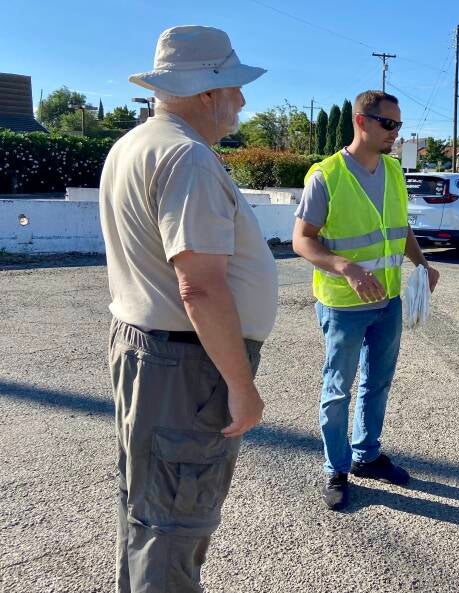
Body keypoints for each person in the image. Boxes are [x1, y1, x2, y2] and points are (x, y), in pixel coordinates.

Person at [99, 25, 277, 592]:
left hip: (149, 351)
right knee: (175, 524)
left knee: (149, 514)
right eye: (234, 87)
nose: (241, 100)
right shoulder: (187, 157)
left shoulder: (133, 145)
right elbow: (199, 287)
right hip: (186, 365)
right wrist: (241, 385)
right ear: (207, 91)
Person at [292, 90, 439, 511]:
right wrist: (347, 268)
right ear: (361, 121)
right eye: (388, 124)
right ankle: (336, 468)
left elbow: (400, 228)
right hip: (343, 304)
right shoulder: (326, 175)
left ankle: (367, 455)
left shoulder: (393, 171)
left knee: (378, 382)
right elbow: (302, 240)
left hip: (388, 300)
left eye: (398, 125)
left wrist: (422, 263)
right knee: (338, 389)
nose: (396, 133)